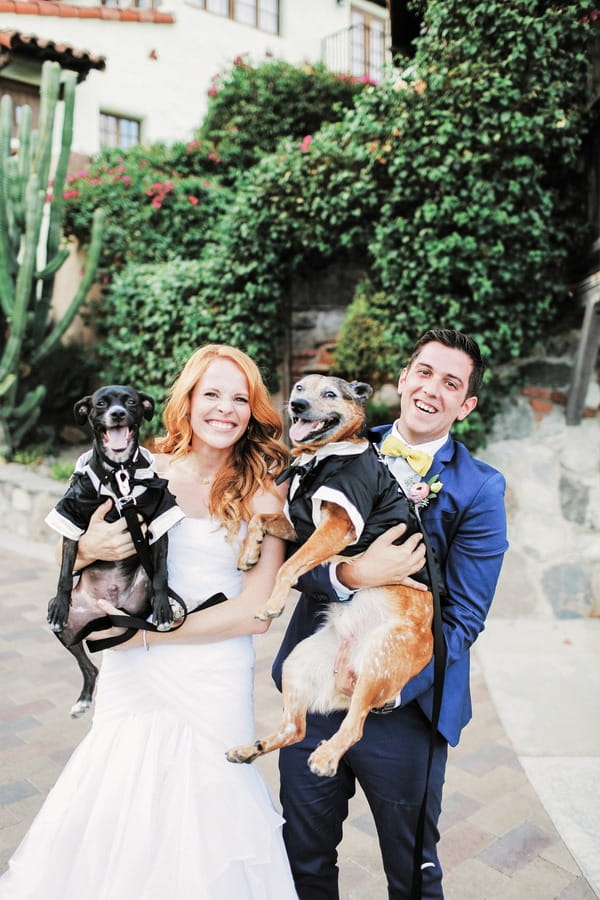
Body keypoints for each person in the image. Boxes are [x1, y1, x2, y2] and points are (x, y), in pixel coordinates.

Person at [0, 344, 300, 900]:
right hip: (132, 675)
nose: (225, 409)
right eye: (211, 393)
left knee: (212, 807)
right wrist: (87, 546)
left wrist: (147, 634)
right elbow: (79, 560)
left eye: (240, 398)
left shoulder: (262, 494)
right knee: (120, 794)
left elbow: (258, 613)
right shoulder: (140, 468)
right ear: (186, 400)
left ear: (253, 409)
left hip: (210, 674)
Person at [272, 328, 509, 899]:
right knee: (303, 858)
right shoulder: (338, 445)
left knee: (410, 872)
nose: (432, 389)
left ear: (466, 404)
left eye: (451, 383)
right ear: (403, 379)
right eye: (423, 372)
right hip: (320, 695)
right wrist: (351, 574)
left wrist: (390, 685)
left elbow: (463, 620)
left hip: (409, 711)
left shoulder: (480, 488)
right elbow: (291, 555)